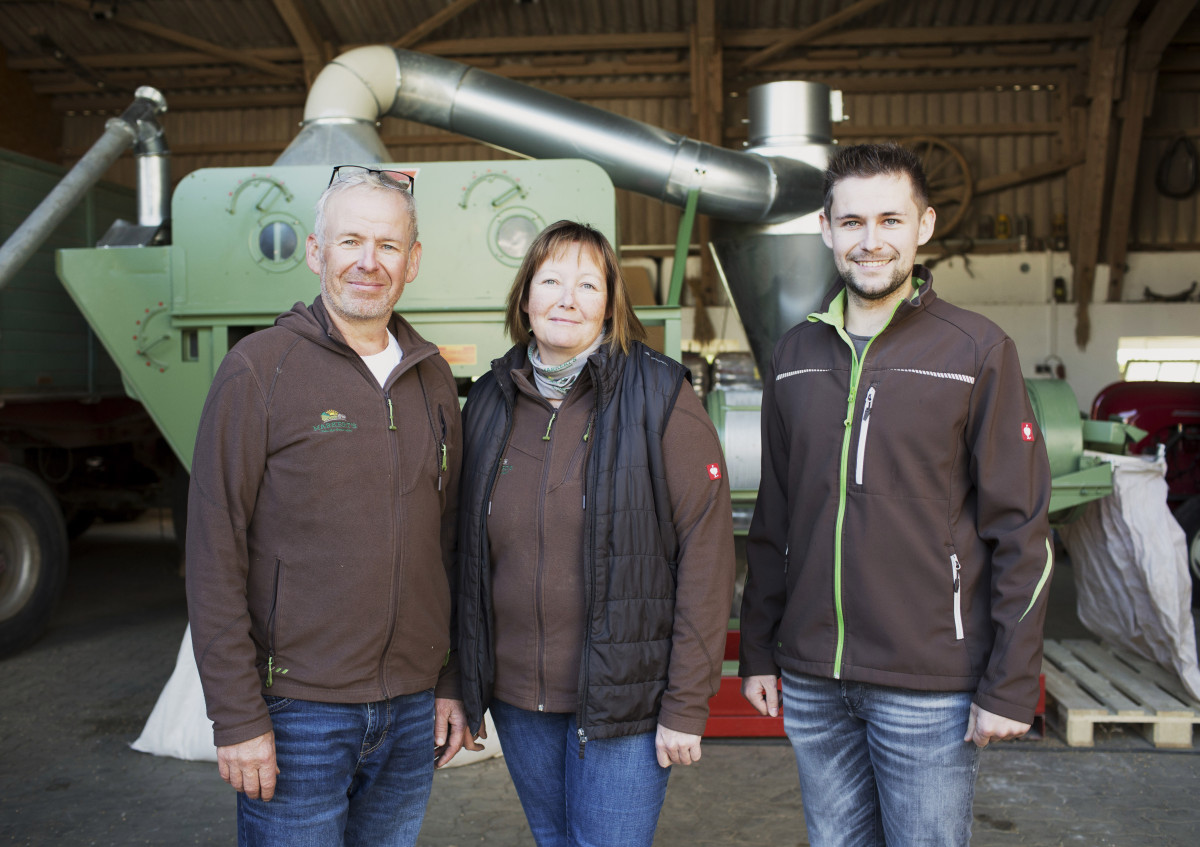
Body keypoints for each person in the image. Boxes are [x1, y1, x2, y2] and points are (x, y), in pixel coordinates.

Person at [739, 144, 1054, 847]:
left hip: (929, 680)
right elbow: (775, 522)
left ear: (925, 226)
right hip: (816, 677)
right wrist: (759, 649)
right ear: (826, 229)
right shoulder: (794, 356)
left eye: (890, 219)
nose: (870, 240)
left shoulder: (975, 350)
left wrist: (1010, 681)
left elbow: (1021, 528)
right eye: (852, 222)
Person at [185, 165, 470, 846]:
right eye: (350, 242)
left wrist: (451, 678)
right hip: (298, 710)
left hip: (411, 709)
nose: (368, 262)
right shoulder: (260, 368)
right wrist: (237, 715)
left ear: (414, 260)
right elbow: (213, 548)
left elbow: (450, 539)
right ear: (317, 251)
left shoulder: (431, 376)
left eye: (389, 245)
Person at [457, 220, 736, 846]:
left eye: (588, 284)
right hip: (518, 698)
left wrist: (688, 702)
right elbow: (460, 556)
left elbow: (706, 555)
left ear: (610, 304)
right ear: (525, 297)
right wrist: (461, 682)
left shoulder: (660, 394)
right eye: (551, 280)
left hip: (625, 701)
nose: (567, 298)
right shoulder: (488, 402)